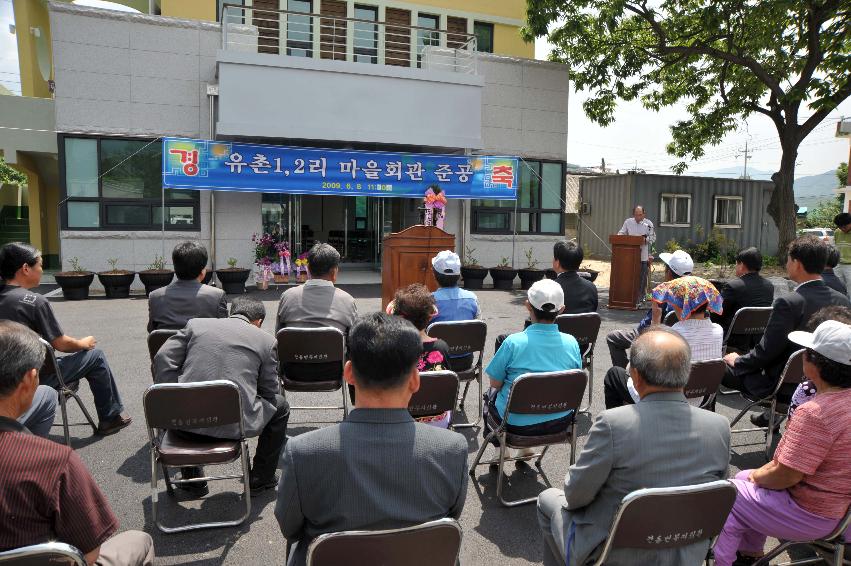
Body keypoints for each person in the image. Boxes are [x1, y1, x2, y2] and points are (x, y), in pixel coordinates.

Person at [274, 313, 468, 566]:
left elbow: (290, 528)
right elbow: (449, 518)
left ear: (348, 373)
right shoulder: (452, 448)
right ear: (415, 379)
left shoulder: (303, 452)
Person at [537, 328, 731, 566]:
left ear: (636, 377)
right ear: (687, 374)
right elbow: (713, 498)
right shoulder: (720, 426)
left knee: (547, 499)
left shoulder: (614, 424)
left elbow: (575, 495)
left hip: (613, 554)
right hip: (685, 551)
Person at [0, 321, 153, 565]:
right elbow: (89, 554)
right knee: (139, 541)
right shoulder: (53, 460)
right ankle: (110, 416)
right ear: (30, 380)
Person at [713, 319, 851, 566]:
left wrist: (758, 477)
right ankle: (751, 553)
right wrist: (755, 476)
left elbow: (787, 476)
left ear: (815, 364)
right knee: (745, 477)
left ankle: (723, 561)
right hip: (844, 511)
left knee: (728, 495)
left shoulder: (817, 412)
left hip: (815, 514)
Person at [153, 296, 290, 494]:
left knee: (191, 400)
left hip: (182, 421)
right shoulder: (266, 340)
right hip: (234, 424)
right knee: (280, 406)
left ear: (230, 312)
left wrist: (174, 396)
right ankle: (261, 477)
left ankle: (193, 479)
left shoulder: (196, 325)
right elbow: (269, 390)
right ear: (258, 321)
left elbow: (162, 358)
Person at [0, 242, 130, 436]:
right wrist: (83, 343)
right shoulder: (34, 302)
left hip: (4, 376)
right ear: (25, 269)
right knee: (96, 356)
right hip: (36, 377)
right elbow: (60, 344)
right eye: (40, 265)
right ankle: (109, 418)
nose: (42, 270)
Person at [723, 235, 850, 427]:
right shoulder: (843, 300)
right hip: (829, 383)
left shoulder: (790, 302)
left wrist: (738, 360)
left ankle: (712, 428)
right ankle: (770, 418)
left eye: (789, 259)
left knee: (719, 367)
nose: (787, 264)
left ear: (797, 263)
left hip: (783, 386)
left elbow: (767, 351)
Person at [484, 279, 582, 443]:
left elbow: (495, 383)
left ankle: (499, 449)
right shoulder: (572, 343)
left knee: (489, 395)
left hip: (515, 425)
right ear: (561, 310)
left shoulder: (512, 343)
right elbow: (574, 382)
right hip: (559, 421)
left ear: (528, 306)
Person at [604, 276, 723, 408]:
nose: (672, 304)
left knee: (614, 374)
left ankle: (621, 424)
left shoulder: (673, 334)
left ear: (682, 305)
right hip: (699, 399)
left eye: (675, 301)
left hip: (661, 398)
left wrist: (655, 319)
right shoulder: (718, 331)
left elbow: (646, 354)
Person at [605, 249, 693, 369]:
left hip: (652, 335)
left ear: (669, 273)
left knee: (613, 337)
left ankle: (627, 374)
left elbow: (646, 326)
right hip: (681, 339)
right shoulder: (696, 294)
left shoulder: (663, 293)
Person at [388, 283, 452, 428]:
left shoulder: (390, 348)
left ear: (398, 317)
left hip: (398, 421)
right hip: (437, 421)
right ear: (429, 318)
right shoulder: (441, 347)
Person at [276, 242, 357, 334]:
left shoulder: (288, 296)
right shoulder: (347, 301)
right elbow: (353, 341)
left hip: (295, 348)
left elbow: (278, 337)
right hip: (331, 348)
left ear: (308, 269)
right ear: (334, 272)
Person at [787, 305, 851, 421]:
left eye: (808, 350)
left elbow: (793, 433)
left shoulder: (807, 399)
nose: (803, 354)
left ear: (815, 362)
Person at [147, 241, 227, 332]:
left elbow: (152, 331)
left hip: (168, 346)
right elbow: (223, 332)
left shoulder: (155, 297)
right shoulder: (217, 296)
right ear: (202, 272)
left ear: (175, 268)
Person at [710, 247, 775, 352]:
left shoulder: (733, 286)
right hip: (757, 340)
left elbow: (716, 313)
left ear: (742, 265)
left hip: (732, 340)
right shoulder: (769, 286)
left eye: (736, 264)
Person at [430, 250, 479, 371]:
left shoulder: (428, 301)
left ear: (434, 274)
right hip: (465, 362)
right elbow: (477, 328)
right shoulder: (472, 298)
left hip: (436, 363)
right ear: (459, 275)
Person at [617, 205, 656, 305]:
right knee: (629, 277)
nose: (638, 217)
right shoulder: (628, 222)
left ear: (644, 214)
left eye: (640, 215)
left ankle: (641, 297)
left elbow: (652, 239)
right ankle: (629, 297)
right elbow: (621, 233)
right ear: (633, 214)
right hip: (629, 256)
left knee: (642, 278)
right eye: (636, 215)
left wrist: (644, 241)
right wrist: (618, 238)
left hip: (643, 255)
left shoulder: (648, 224)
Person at [552, 239, 598, 314]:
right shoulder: (591, 287)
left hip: (560, 325)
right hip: (585, 325)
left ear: (557, 263)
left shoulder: (549, 288)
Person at [833, 212, 851, 297]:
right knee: (838, 286)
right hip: (838, 264)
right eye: (840, 227)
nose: (842, 229)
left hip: (850, 266)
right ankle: (842, 305)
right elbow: (834, 246)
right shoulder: (837, 232)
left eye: (845, 226)